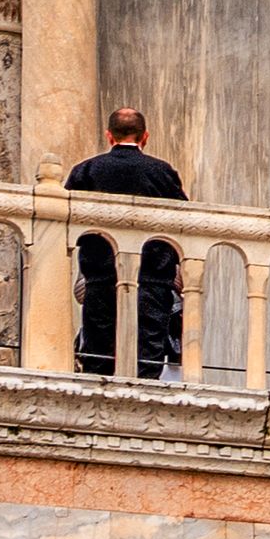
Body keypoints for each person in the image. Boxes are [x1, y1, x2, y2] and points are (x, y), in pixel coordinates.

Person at [65, 105, 190, 382]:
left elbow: (68, 221)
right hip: (152, 277)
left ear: (109, 135)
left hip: (102, 276)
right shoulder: (162, 172)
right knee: (148, 353)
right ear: (145, 136)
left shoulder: (86, 171)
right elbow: (183, 222)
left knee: (99, 353)